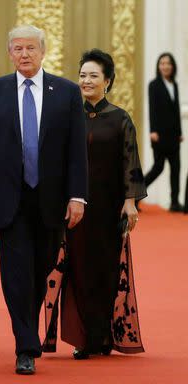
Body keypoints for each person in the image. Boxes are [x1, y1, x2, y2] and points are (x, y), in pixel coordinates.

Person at [0, 25, 87, 375]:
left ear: (43, 51)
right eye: (17, 48)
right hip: (8, 198)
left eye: (30, 48)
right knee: (16, 273)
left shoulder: (66, 93)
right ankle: (25, 344)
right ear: (9, 53)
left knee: (40, 268)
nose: (24, 54)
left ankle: (27, 329)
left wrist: (77, 196)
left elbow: (76, 152)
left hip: (51, 199)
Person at [61, 49, 146, 360]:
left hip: (110, 208)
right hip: (76, 206)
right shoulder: (71, 116)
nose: (86, 80)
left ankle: (104, 334)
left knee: (107, 269)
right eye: (82, 75)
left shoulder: (120, 118)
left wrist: (130, 202)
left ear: (107, 81)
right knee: (80, 269)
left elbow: (130, 163)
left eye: (93, 75)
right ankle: (88, 337)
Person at [144, 53, 183, 212]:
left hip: (174, 135)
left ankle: (174, 202)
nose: (165, 66)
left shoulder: (174, 84)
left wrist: (180, 132)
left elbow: (176, 110)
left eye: (168, 63)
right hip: (159, 134)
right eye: (162, 63)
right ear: (158, 66)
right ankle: (135, 196)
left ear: (172, 66)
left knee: (176, 168)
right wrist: (152, 130)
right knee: (158, 167)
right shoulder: (154, 85)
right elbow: (152, 109)